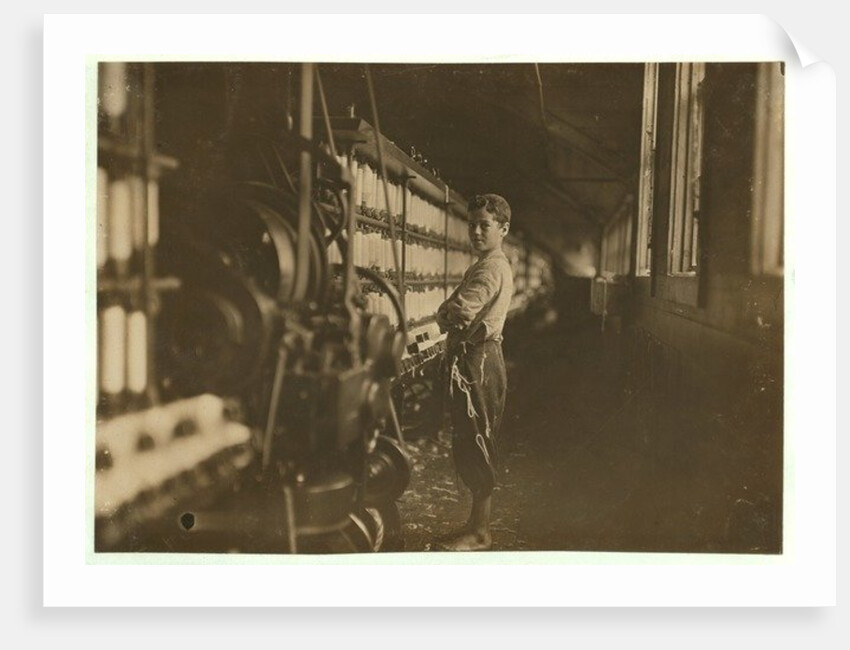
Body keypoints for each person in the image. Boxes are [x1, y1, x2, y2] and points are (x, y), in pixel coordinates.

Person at [435, 193, 514, 551]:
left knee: (477, 440)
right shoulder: (486, 263)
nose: (477, 231)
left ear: (503, 228)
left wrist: (446, 310)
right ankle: (474, 524)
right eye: (472, 225)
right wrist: (447, 309)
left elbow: (459, 312)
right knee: (471, 438)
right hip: (478, 359)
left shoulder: (491, 268)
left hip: (479, 361)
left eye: (485, 225)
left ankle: (481, 532)